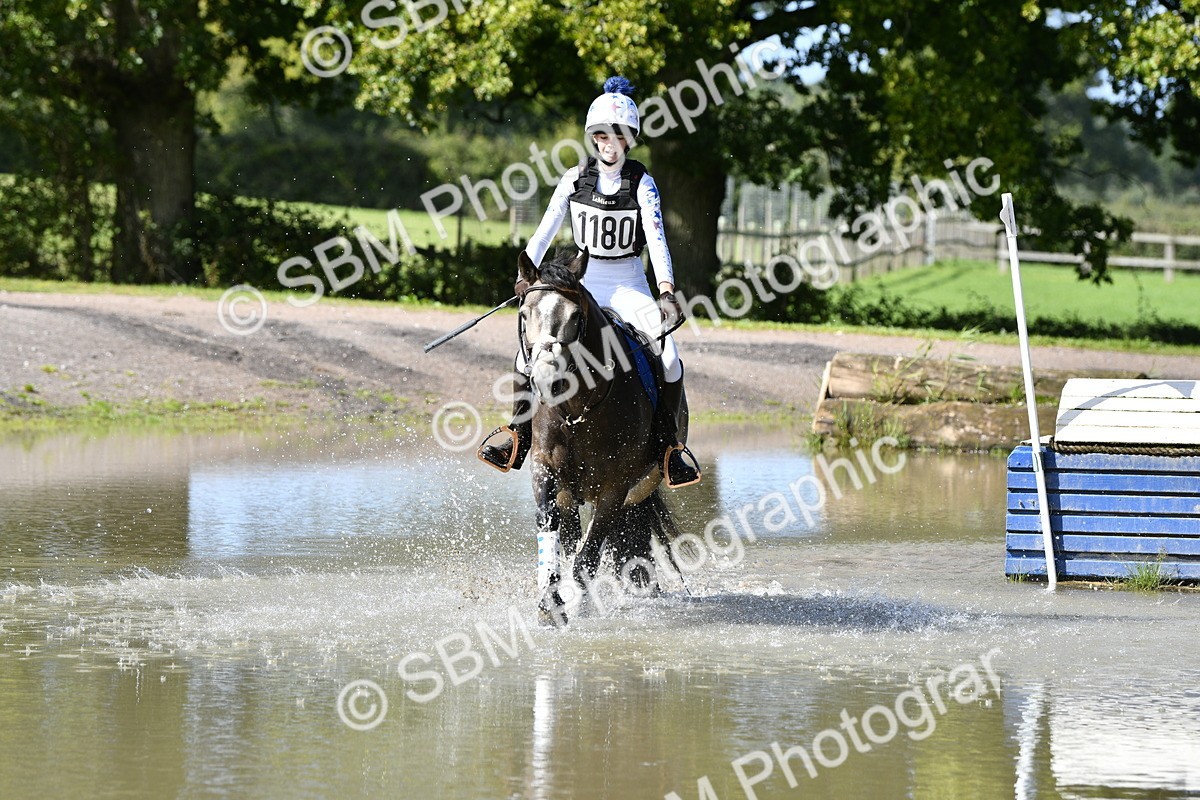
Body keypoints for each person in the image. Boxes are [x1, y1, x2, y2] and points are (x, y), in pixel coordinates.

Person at [478, 76, 701, 488]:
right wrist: (526, 276)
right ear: (593, 139)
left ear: (629, 140)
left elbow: (656, 240)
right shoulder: (573, 179)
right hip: (581, 284)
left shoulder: (642, 183)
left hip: (629, 284)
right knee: (525, 357)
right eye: (600, 135)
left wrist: (666, 290)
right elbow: (544, 232)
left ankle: (670, 448)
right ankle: (517, 435)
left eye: (616, 136)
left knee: (668, 356)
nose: (608, 144)